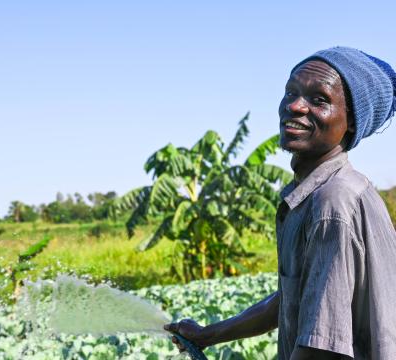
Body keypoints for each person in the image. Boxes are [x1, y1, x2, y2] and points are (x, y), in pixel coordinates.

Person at [164, 46, 396, 359]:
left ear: (351, 121)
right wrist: (207, 335)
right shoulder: (315, 194)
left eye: (319, 99)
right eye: (291, 93)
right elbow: (291, 297)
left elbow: (320, 349)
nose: (296, 106)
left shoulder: (333, 202)